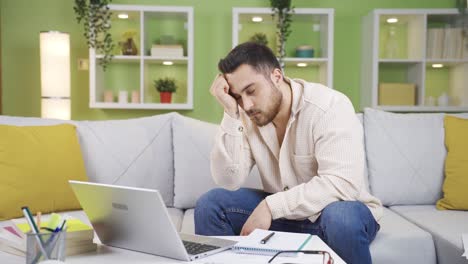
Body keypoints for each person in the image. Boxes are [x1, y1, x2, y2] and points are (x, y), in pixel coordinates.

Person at [195, 42, 382, 264]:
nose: (247, 104)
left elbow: (342, 183)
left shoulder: (329, 106)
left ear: (276, 76)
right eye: (237, 97)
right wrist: (230, 112)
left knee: (341, 218)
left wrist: (270, 206)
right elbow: (228, 179)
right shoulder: (247, 114)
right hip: (285, 218)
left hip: (332, 214)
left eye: (251, 91)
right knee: (211, 204)